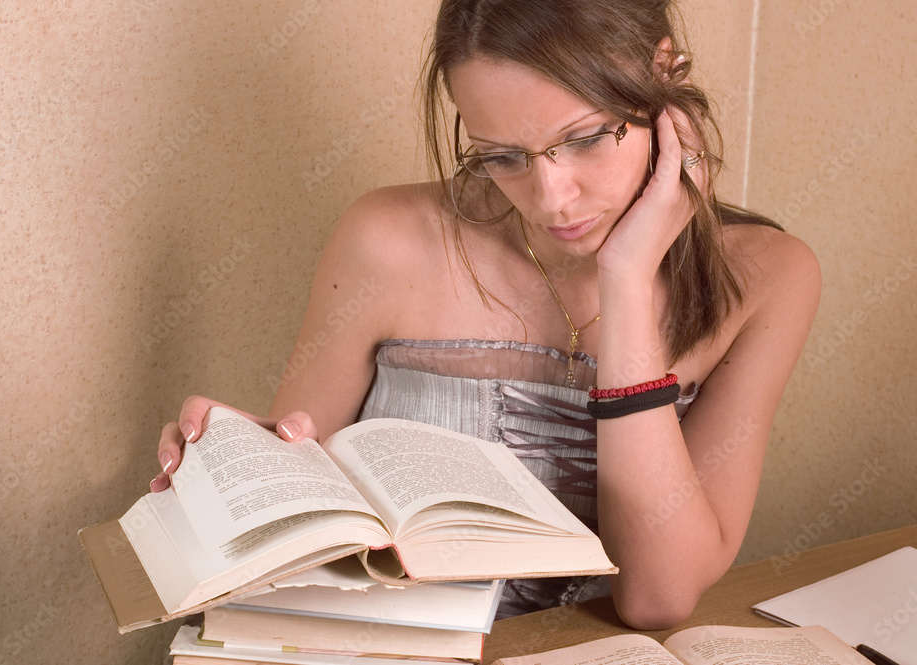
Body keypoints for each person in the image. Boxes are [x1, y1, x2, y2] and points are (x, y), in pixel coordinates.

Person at [151, 0, 820, 629]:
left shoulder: (767, 278)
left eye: (585, 138)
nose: (552, 198)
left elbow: (656, 595)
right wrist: (229, 464)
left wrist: (627, 282)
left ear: (663, 72)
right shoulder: (385, 240)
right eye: (503, 156)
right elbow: (296, 523)